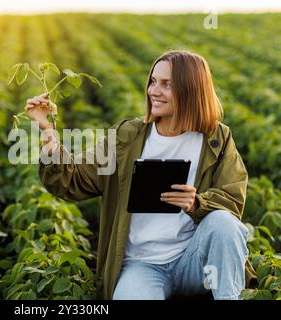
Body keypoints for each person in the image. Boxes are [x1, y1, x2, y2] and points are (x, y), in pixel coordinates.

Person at [24, 50, 254, 300]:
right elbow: (71, 181)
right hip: (142, 265)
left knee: (224, 224)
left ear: (191, 89)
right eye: (153, 82)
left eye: (166, 84)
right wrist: (48, 130)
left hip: (194, 260)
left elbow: (232, 200)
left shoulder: (216, 138)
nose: (154, 91)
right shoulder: (127, 136)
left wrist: (197, 203)